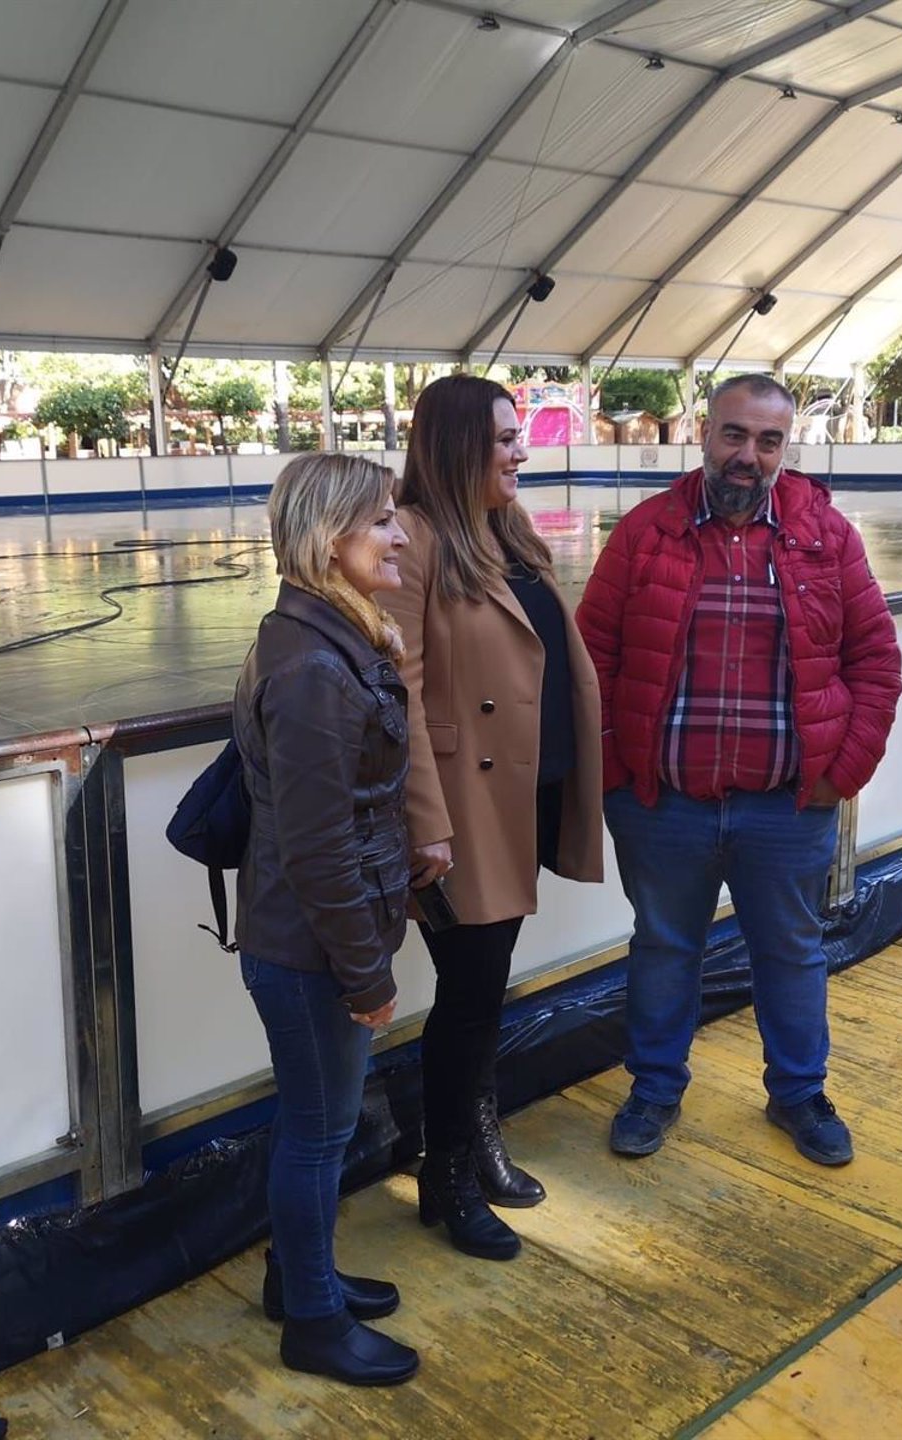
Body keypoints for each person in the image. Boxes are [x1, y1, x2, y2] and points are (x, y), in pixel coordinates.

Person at [576, 374, 902, 1168]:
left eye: (768, 441)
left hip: (786, 808)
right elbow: (592, 659)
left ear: (786, 447)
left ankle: (799, 1094)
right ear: (703, 432)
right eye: (734, 436)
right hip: (665, 806)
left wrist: (838, 774)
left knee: (791, 952)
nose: (748, 456)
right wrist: (621, 773)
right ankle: (654, 1089)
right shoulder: (646, 534)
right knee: (662, 948)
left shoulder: (827, 537)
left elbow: (876, 663)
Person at [379, 375, 606, 1261]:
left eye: (520, 436)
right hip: (462, 810)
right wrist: (424, 824)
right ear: (454, 445)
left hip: (524, 792)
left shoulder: (507, 534)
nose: (522, 449)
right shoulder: (416, 541)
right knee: (467, 1001)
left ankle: (479, 1147)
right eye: (505, 437)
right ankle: (448, 1181)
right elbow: (397, 689)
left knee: (484, 992)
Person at [231, 453, 418, 1386]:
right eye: (381, 519)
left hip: (320, 943)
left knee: (323, 1123)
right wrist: (366, 974)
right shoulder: (312, 666)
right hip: (309, 952)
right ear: (325, 538)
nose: (400, 534)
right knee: (318, 1128)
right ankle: (310, 1321)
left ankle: (296, 1276)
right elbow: (315, 849)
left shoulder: (331, 638)